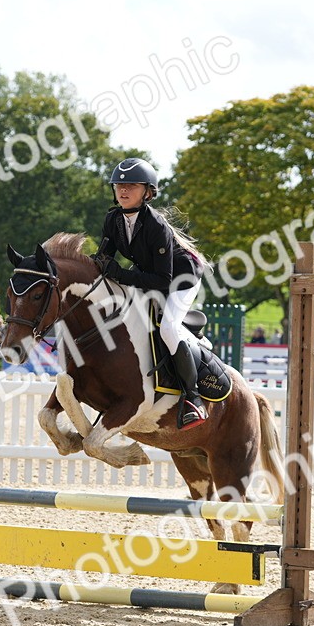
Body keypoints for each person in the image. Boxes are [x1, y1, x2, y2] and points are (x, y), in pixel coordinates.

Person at [94, 157, 211, 429]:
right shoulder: (113, 219)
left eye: (131, 185)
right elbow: (103, 259)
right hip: (150, 275)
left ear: (147, 192)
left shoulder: (155, 225)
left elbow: (161, 280)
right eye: (119, 185)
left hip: (181, 278)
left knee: (168, 327)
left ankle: (194, 398)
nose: (123, 190)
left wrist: (120, 274)